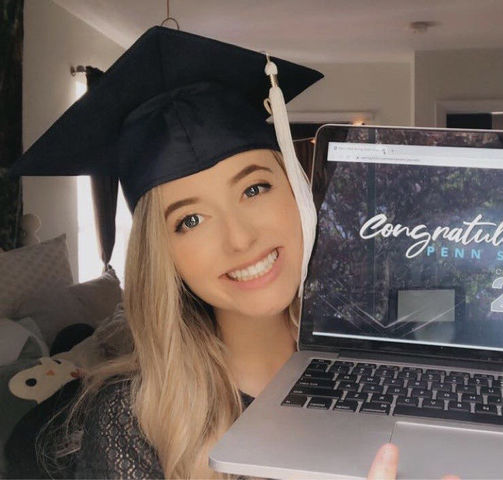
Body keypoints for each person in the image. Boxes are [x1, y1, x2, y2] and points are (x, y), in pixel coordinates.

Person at [12, 26, 408, 479]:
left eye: (254, 188)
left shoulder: (384, 373)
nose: (239, 240)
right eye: (190, 220)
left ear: (297, 192)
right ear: (164, 258)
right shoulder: (134, 423)